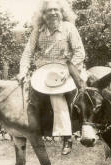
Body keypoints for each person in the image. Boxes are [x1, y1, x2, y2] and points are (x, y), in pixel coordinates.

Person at [18, 0, 86, 155]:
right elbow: (27, 53)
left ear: (62, 12)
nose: (53, 13)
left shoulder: (69, 28)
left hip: (67, 69)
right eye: (49, 10)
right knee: (27, 94)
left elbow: (80, 52)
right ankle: (32, 128)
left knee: (57, 96)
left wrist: (67, 71)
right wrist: (23, 71)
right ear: (44, 14)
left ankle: (66, 136)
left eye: (56, 10)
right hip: (44, 72)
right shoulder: (38, 31)